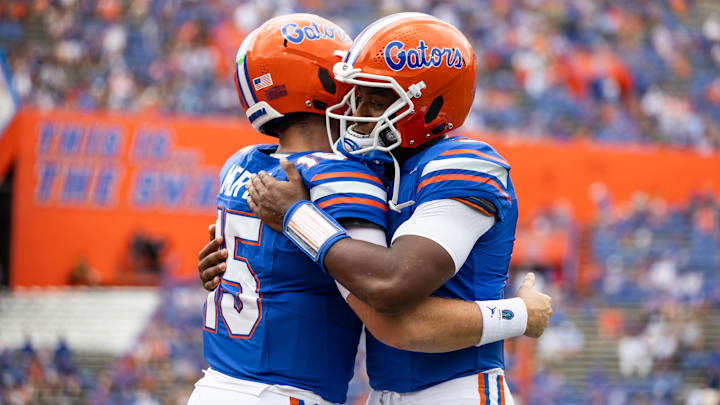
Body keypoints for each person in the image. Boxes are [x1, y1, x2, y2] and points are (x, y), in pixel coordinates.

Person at [192, 13, 552, 405]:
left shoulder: (465, 165)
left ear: (429, 106)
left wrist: (296, 217)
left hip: (456, 391)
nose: (357, 111)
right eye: (357, 94)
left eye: (377, 99)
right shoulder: (368, 164)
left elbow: (393, 291)